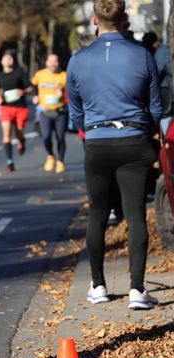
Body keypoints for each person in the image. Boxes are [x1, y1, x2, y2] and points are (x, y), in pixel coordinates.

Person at [67, 0, 162, 309]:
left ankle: (98, 285)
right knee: (135, 214)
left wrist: (92, 130)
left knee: (97, 212)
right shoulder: (142, 55)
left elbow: (75, 112)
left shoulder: (78, 60)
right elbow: (157, 107)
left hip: (97, 141)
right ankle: (137, 289)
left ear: (95, 20)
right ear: (124, 19)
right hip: (134, 139)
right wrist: (144, 131)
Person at [0, 51, 32, 172]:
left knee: (19, 132)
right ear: (2, 61)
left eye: (10, 58)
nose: (8, 60)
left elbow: (30, 87)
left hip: (20, 107)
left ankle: (22, 141)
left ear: (13, 60)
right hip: (6, 108)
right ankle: (10, 161)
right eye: (6, 58)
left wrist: (23, 91)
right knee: (6, 132)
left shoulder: (19, 72)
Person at [31, 54, 68, 173]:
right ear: (46, 63)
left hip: (60, 111)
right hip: (44, 111)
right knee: (46, 137)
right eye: (50, 61)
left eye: (55, 61)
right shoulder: (40, 74)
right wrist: (35, 96)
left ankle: (61, 161)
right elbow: (33, 85)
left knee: (60, 137)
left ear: (59, 63)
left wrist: (62, 94)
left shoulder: (64, 76)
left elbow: (72, 92)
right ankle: (50, 155)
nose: (53, 64)